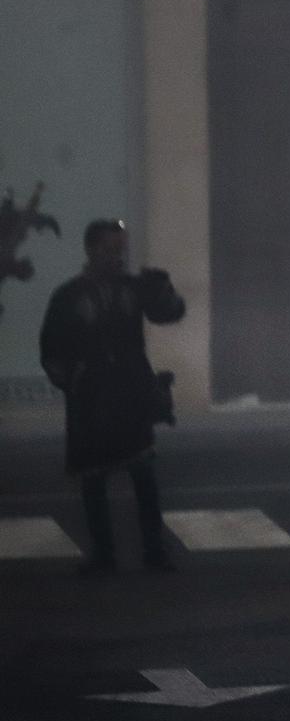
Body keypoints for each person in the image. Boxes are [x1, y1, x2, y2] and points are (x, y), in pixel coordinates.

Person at [39, 219, 183, 574]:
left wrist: (163, 288)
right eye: (109, 249)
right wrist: (72, 379)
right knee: (94, 478)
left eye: (120, 249)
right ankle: (104, 554)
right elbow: (52, 346)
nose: (116, 256)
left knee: (143, 475)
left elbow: (169, 314)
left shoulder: (135, 288)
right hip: (90, 395)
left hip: (131, 391)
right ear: (91, 249)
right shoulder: (69, 296)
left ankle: (154, 551)